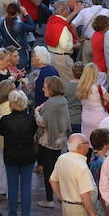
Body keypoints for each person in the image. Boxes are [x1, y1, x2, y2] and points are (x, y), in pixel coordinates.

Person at [50, 133, 100, 216]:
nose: (89, 147)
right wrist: (93, 215)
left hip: (67, 206)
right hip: (80, 208)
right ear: (80, 147)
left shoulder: (62, 158)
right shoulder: (81, 166)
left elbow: (52, 180)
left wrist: (62, 198)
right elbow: (85, 195)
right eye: (87, 144)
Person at [0, 89, 37, 216]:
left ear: (11, 103)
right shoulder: (31, 119)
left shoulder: (5, 120)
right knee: (26, 186)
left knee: (12, 185)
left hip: (11, 156)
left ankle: (12, 214)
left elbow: (1, 132)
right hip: (28, 155)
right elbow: (33, 132)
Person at [35, 75, 71, 209]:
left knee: (48, 172)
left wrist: (36, 112)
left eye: (45, 87)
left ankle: (50, 199)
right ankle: (59, 195)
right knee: (55, 169)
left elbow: (43, 122)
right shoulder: (62, 100)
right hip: (59, 140)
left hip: (48, 141)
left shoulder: (51, 103)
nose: (43, 89)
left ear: (52, 88)